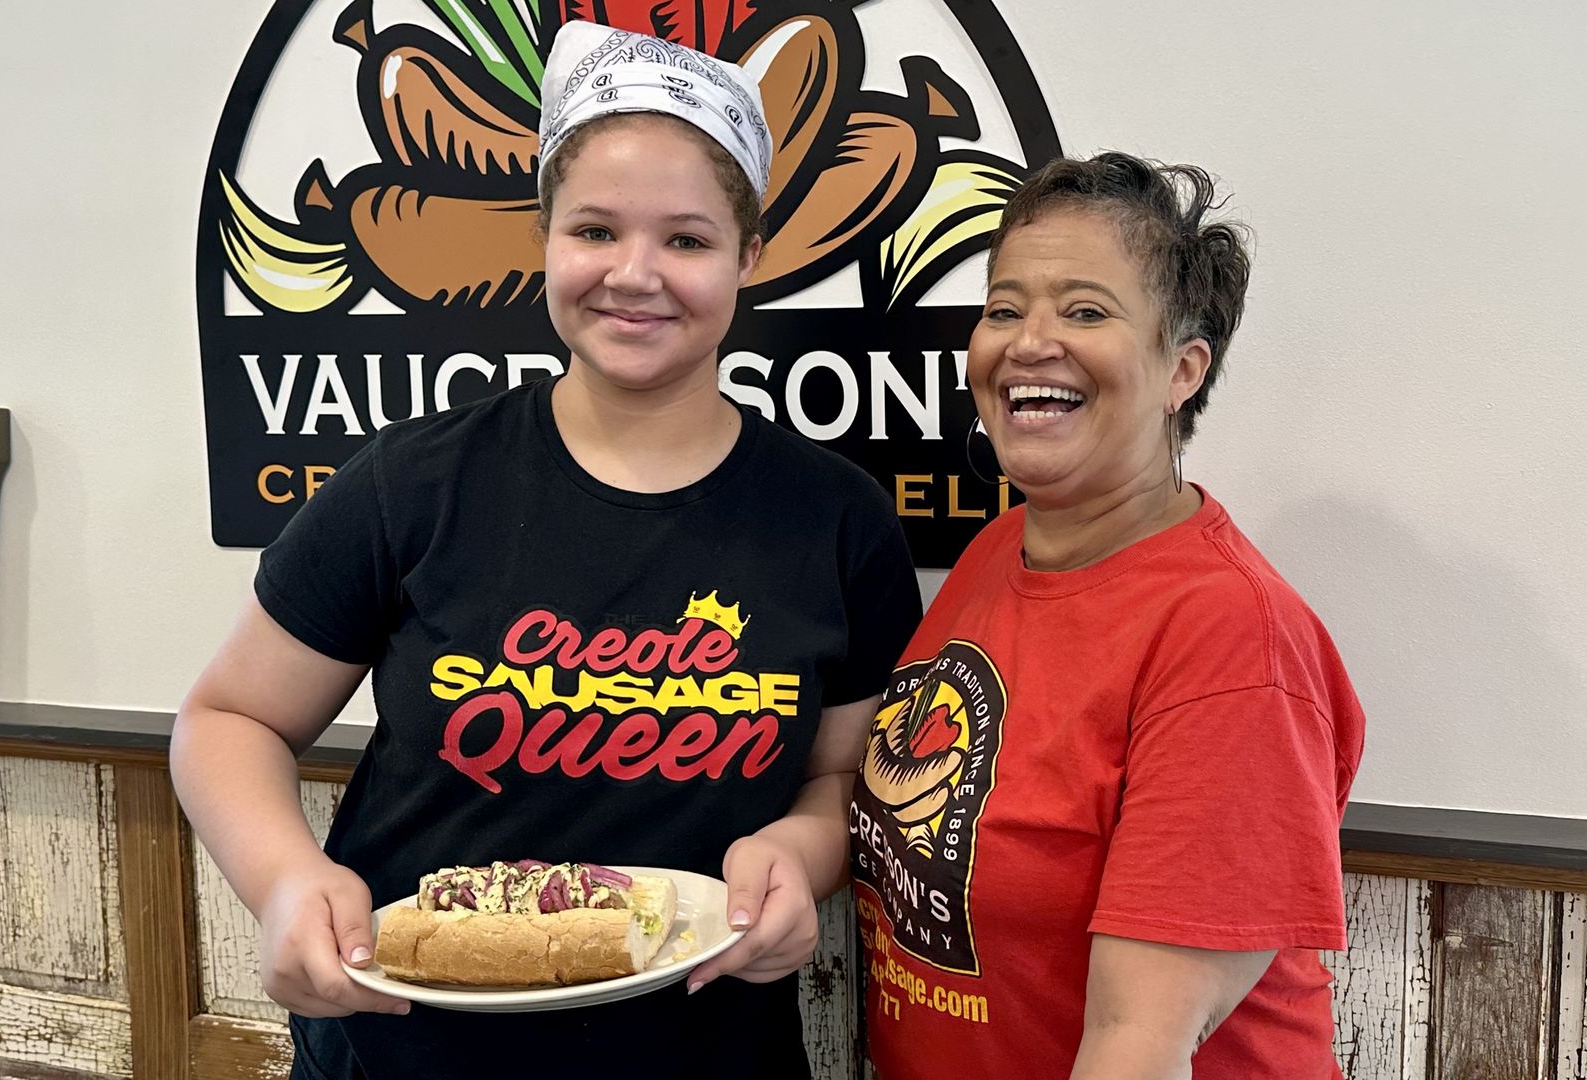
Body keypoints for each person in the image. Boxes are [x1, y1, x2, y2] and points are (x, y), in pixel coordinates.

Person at [172, 20, 920, 1080]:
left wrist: (801, 854)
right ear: (544, 237)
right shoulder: (415, 483)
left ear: (752, 256)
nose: (635, 273)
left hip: (703, 1053)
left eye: (689, 240)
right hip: (406, 1053)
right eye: (595, 231)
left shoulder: (837, 520)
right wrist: (286, 878)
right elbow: (227, 719)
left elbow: (842, 777)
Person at [849, 152, 1365, 1079]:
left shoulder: (1230, 639)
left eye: (1086, 311)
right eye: (1005, 308)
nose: (1028, 341)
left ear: (1183, 368)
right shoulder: (995, 552)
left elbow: (1140, 1045)